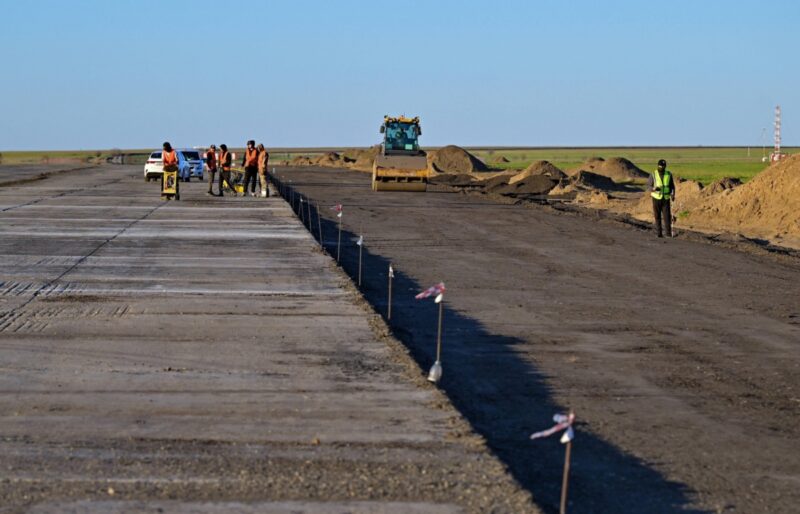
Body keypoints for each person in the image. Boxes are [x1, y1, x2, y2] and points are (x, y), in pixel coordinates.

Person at [648, 159, 676, 238]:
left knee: (667, 216)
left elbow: (672, 186)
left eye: (663, 166)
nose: (661, 168)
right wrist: (654, 189)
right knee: (657, 216)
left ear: (665, 166)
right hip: (656, 198)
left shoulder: (669, 174)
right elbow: (649, 186)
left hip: (666, 198)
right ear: (658, 166)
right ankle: (659, 233)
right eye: (660, 166)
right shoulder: (653, 174)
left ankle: (668, 234)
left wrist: (673, 194)